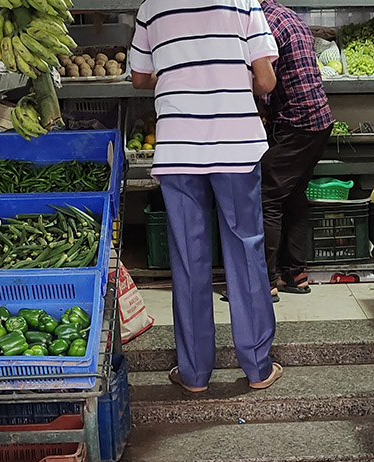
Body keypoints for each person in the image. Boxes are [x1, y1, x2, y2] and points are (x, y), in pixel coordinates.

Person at [130, 0, 284, 392]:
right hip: (235, 145)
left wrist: (181, 72)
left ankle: (195, 373)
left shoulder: (152, 8)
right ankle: (257, 368)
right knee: (246, 252)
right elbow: (266, 80)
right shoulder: (243, 3)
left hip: (178, 148)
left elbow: (139, 77)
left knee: (188, 257)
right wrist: (227, 77)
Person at [259, 0, 334, 299]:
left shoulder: (262, 24)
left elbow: (265, 83)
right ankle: (296, 275)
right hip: (319, 121)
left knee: (267, 198)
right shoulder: (288, 15)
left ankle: (265, 284)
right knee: (293, 197)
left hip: (296, 123)